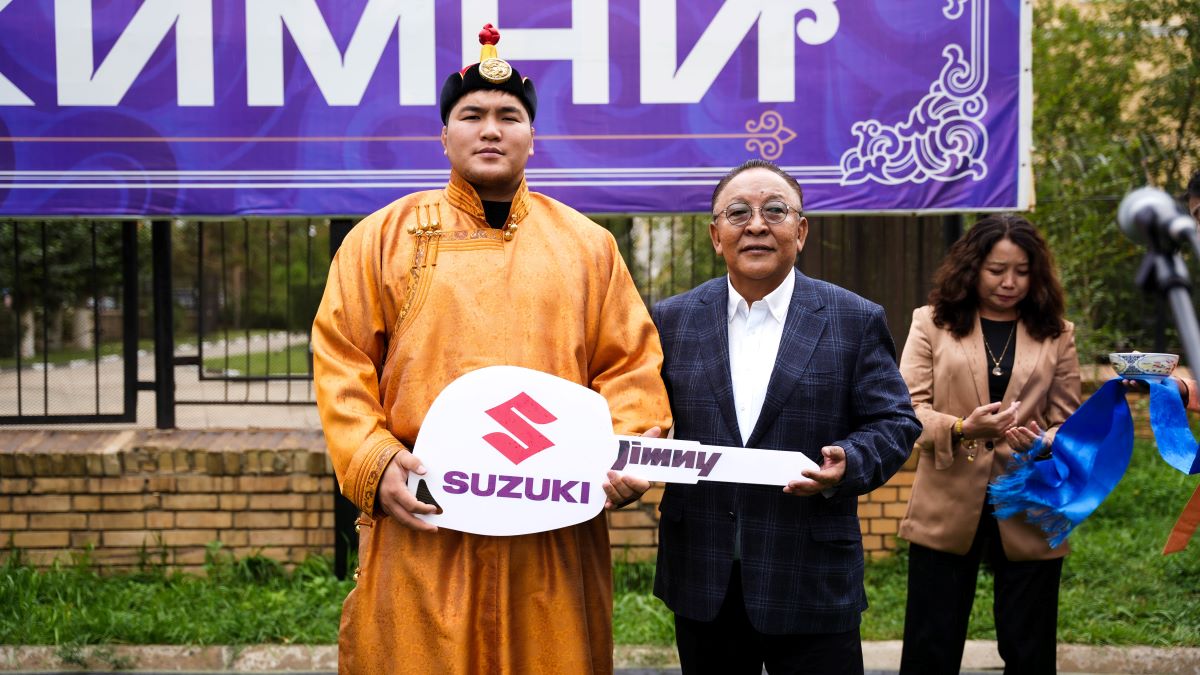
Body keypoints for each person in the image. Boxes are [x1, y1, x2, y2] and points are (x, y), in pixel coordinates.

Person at [311, 25, 671, 674]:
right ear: (443, 136)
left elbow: (629, 364)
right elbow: (343, 361)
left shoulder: (587, 246)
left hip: (552, 527)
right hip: (426, 515)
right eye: (471, 115)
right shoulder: (381, 239)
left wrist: (628, 448)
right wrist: (374, 460)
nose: (490, 129)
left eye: (509, 116)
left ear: (533, 137)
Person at [650, 159, 921, 674]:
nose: (756, 225)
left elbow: (895, 421)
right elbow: (645, 412)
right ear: (716, 235)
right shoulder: (672, 319)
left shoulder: (853, 318)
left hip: (809, 573)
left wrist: (851, 461)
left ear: (800, 231)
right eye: (738, 213)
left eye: (774, 211)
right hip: (703, 572)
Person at [897, 214, 1082, 675]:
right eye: (997, 270)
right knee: (930, 646)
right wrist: (962, 428)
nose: (1010, 282)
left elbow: (1070, 424)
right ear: (972, 267)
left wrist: (1044, 442)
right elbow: (906, 412)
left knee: (1029, 648)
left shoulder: (1057, 332)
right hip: (946, 502)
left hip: (1030, 499)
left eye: (1022, 271)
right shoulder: (931, 323)